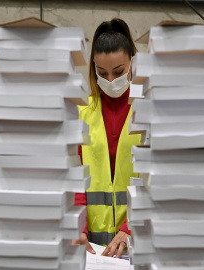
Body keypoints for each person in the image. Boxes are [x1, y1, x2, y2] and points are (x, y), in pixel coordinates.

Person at [71, 18, 141, 258]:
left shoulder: (147, 112)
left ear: (132, 60)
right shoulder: (82, 113)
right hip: (93, 249)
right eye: (102, 73)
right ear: (93, 67)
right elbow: (75, 180)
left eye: (119, 72)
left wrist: (130, 227)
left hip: (137, 241)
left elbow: (158, 180)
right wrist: (78, 228)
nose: (111, 81)